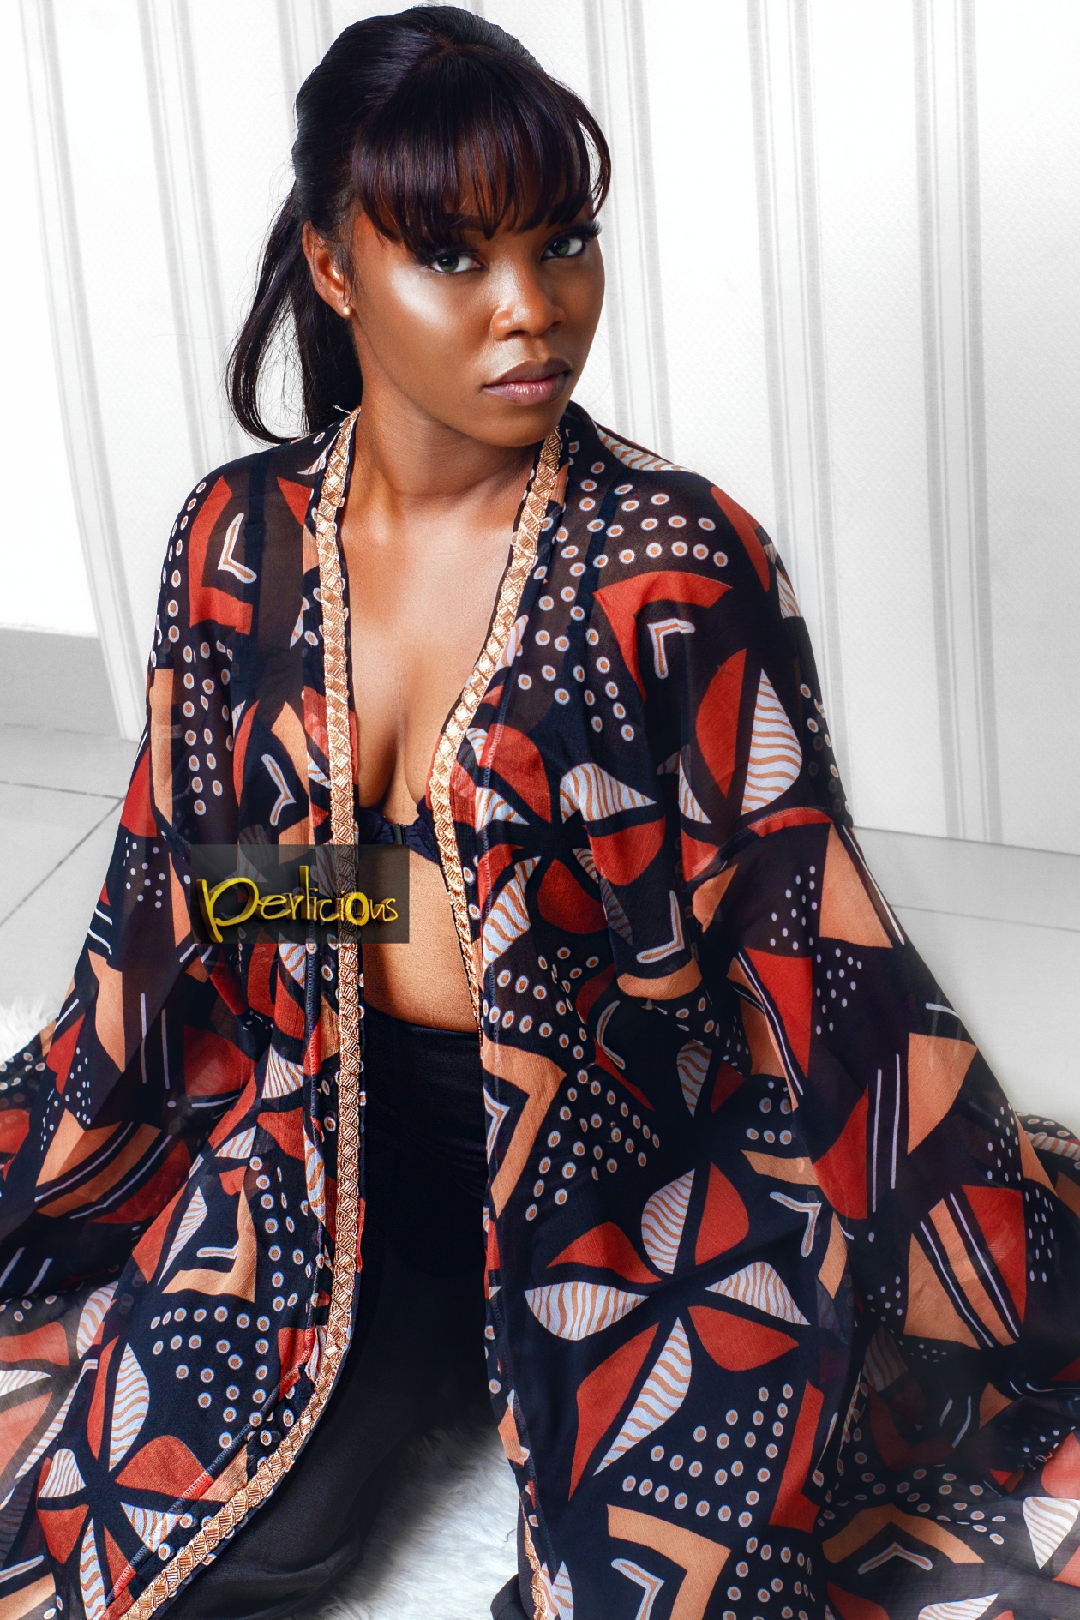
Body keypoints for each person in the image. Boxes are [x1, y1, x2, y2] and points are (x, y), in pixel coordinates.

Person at [2, 8, 1080, 1618]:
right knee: (184, 1530)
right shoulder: (235, 541)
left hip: (629, 1167)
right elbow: (190, 898)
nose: (534, 308)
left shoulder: (669, 565)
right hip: (317, 1136)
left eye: (563, 241)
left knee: (673, 1576)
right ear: (334, 265)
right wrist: (375, 938)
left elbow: (811, 952)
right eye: (455, 256)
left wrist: (983, 1268)